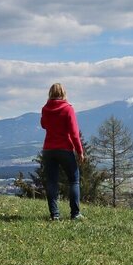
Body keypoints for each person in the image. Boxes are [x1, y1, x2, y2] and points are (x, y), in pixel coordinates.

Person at [40, 83, 85, 220]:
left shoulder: (45, 109)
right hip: (65, 149)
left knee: (52, 182)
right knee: (73, 181)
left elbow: (43, 125)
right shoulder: (68, 109)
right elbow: (74, 133)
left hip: (48, 149)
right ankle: (75, 214)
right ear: (64, 93)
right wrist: (80, 151)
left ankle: (55, 215)